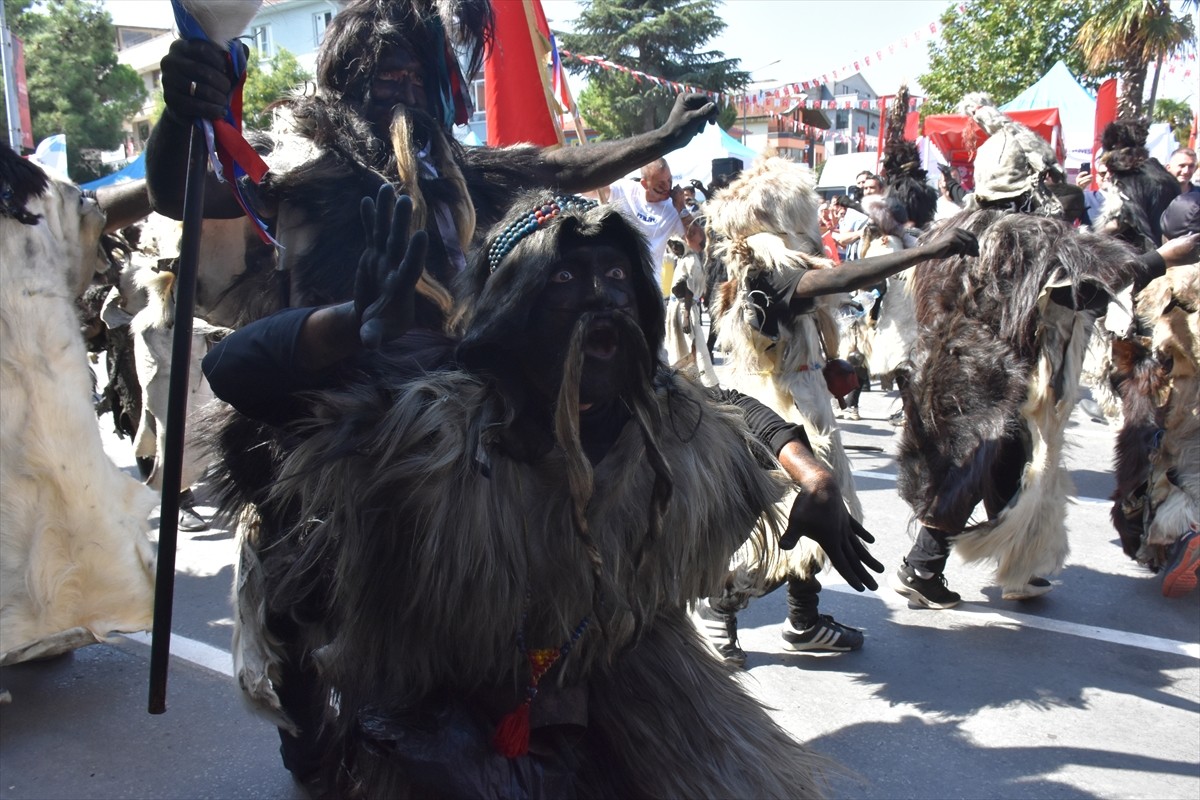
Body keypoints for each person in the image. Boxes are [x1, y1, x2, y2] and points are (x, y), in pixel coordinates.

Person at [202, 186, 851, 796]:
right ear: (512, 306)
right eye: (564, 277)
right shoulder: (431, 421)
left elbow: (734, 408)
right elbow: (231, 371)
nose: (601, 296)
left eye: (616, 274)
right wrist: (345, 325)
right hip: (450, 697)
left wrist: (812, 474)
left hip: (615, 677)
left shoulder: (663, 417)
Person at [145, 0, 718, 326]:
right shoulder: (306, 169)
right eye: (386, 76)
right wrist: (180, 113)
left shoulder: (456, 170)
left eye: (415, 77)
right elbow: (177, 195)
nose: (404, 90)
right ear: (348, 86)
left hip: (457, 389)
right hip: (339, 400)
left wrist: (660, 139)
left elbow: (557, 169)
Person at [699, 155, 978, 662]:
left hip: (804, 402)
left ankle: (804, 621)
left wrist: (827, 364)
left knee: (825, 519)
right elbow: (840, 280)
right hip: (773, 413)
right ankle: (720, 611)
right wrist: (925, 251)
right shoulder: (763, 273)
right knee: (780, 523)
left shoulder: (779, 267)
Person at [891, 94, 1158, 608]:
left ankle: (1016, 564)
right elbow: (1089, 287)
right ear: (1033, 182)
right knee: (977, 464)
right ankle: (924, 565)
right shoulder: (1029, 237)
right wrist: (1161, 258)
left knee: (1003, 462)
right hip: (995, 374)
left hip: (950, 367)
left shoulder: (951, 228)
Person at [598, 157, 701, 296]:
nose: (667, 187)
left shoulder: (673, 208)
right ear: (644, 184)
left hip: (648, 287)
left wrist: (681, 208)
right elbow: (591, 190)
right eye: (660, 184)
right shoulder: (626, 189)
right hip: (617, 283)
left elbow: (698, 244)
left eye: (669, 180)